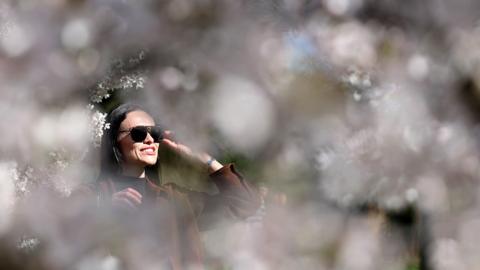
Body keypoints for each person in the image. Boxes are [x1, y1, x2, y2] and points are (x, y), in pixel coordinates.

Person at [74, 103, 261, 270]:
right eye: (138, 133)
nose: (149, 140)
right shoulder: (92, 196)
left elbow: (245, 204)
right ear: (115, 143)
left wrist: (205, 158)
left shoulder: (174, 199)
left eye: (154, 133)